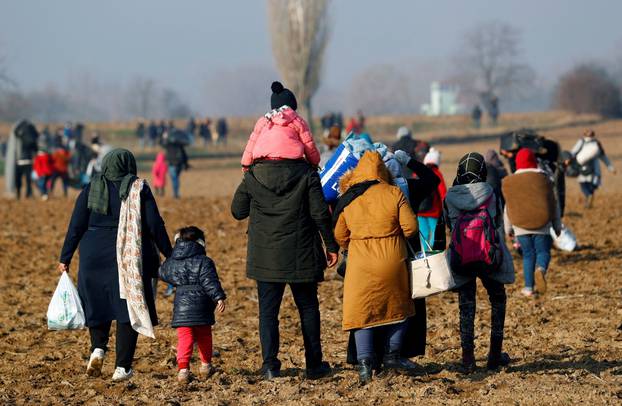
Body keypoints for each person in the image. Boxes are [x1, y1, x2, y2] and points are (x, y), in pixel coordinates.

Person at [58, 149, 172, 382]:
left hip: (92, 255)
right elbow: (154, 225)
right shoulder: (138, 189)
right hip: (126, 256)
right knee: (126, 309)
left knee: (97, 303)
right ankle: (122, 367)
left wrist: (65, 257)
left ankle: (97, 348)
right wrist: (169, 253)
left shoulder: (91, 188)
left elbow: (75, 226)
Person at [231, 149, 339, 380]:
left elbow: (237, 211)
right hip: (302, 253)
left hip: (266, 256)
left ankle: (270, 366)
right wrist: (331, 246)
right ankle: (314, 365)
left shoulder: (254, 175)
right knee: (308, 309)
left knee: (268, 313)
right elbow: (320, 213)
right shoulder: (308, 173)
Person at [333, 151, 418, 384]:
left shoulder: (350, 197)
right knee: (399, 308)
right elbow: (410, 228)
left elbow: (340, 235)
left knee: (362, 314)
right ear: (383, 171)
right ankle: (392, 356)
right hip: (391, 260)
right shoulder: (394, 193)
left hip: (360, 264)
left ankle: (364, 364)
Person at [444, 152, 515, 373]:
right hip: (489, 256)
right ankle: (494, 356)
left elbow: (448, 225)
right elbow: (497, 223)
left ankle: (468, 359)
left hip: (460, 257)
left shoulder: (450, 197)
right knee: (498, 300)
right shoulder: (491, 193)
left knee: (466, 307)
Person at [159, 226, 226, 384]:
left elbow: (162, 272)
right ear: (201, 243)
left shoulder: (173, 262)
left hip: (182, 307)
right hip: (202, 306)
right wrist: (219, 297)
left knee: (184, 338)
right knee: (204, 335)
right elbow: (210, 282)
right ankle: (206, 366)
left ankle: (183, 370)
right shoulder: (205, 261)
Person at [503, 148, 562, 297]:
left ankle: (528, 288)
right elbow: (553, 204)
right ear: (534, 162)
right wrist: (557, 226)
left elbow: (508, 207)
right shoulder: (545, 179)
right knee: (543, 252)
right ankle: (541, 269)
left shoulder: (510, 182)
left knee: (528, 255)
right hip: (541, 225)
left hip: (520, 225)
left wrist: (508, 228)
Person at [241, 81, 320, 170]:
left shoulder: (263, 121)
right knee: (313, 182)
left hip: (263, 167)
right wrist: (315, 162)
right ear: (292, 106)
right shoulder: (298, 121)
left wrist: (246, 165)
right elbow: (309, 145)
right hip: (292, 167)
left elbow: (251, 144)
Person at [569, 130, 616, 208]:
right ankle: (589, 197)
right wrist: (611, 168)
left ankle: (588, 197)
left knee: (584, 185)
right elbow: (604, 157)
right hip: (594, 169)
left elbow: (572, 152)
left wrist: (568, 162)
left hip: (582, 168)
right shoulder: (596, 144)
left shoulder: (582, 142)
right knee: (592, 185)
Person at [417, 148, 447, 249]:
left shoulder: (417, 172)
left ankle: (425, 253)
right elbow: (443, 192)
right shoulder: (437, 173)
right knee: (435, 231)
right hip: (433, 210)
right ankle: (433, 252)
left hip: (419, 210)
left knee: (423, 234)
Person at [4, 120, 39, 199]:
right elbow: (35, 149)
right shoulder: (31, 137)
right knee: (28, 180)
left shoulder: (17, 135)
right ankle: (28, 194)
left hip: (19, 161)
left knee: (18, 180)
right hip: (28, 161)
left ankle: (19, 194)